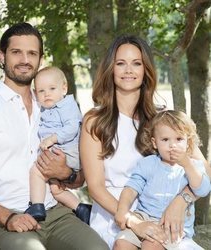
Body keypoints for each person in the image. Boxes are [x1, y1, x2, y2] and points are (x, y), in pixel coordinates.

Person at [0, 22, 109, 250]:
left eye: (32, 53)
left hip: (58, 212)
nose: (24, 60)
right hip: (8, 218)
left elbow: (79, 178)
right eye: (16, 52)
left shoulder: (53, 107)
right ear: (1, 57)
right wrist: (8, 217)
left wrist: (66, 173)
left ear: (40, 59)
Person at [79, 34, 211, 249]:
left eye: (136, 63)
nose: (129, 70)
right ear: (111, 69)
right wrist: (133, 221)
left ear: (146, 69)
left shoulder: (163, 118)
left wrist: (181, 201)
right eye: (121, 63)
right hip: (115, 217)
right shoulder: (95, 120)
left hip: (162, 215)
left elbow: (205, 170)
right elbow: (95, 187)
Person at [114, 110, 210, 250]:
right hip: (143, 218)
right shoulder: (148, 163)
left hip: (172, 226)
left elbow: (203, 189)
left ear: (188, 142)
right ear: (155, 143)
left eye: (179, 139)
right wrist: (123, 210)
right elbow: (131, 189)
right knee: (121, 243)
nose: (172, 145)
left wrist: (187, 164)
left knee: (150, 246)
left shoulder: (193, 166)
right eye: (165, 140)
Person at [24, 66, 91, 224]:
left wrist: (52, 139)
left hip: (67, 151)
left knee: (36, 171)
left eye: (52, 88)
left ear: (64, 88)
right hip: (62, 151)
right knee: (56, 189)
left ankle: (37, 206)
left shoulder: (67, 105)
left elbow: (72, 127)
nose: (46, 94)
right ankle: (81, 209)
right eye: (41, 91)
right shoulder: (46, 108)